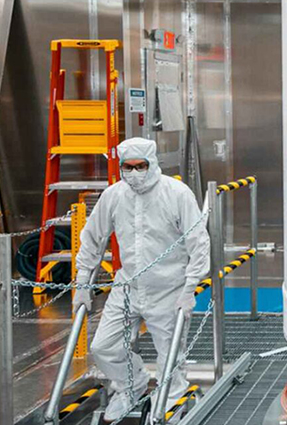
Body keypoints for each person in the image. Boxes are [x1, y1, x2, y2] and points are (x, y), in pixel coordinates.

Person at [71, 137, 210, 422]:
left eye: (141, 166)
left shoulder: (177, 194)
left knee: (170, 356)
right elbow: (92, 238)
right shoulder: (114, 195)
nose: (134, 173)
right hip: (127, 286)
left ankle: (169, 406)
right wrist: (83, 281)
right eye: (128, 167)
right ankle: (130, 386)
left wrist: (189, 287)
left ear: (153, 163)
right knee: (103, 347)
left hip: (168, 287)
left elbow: (199, 243)